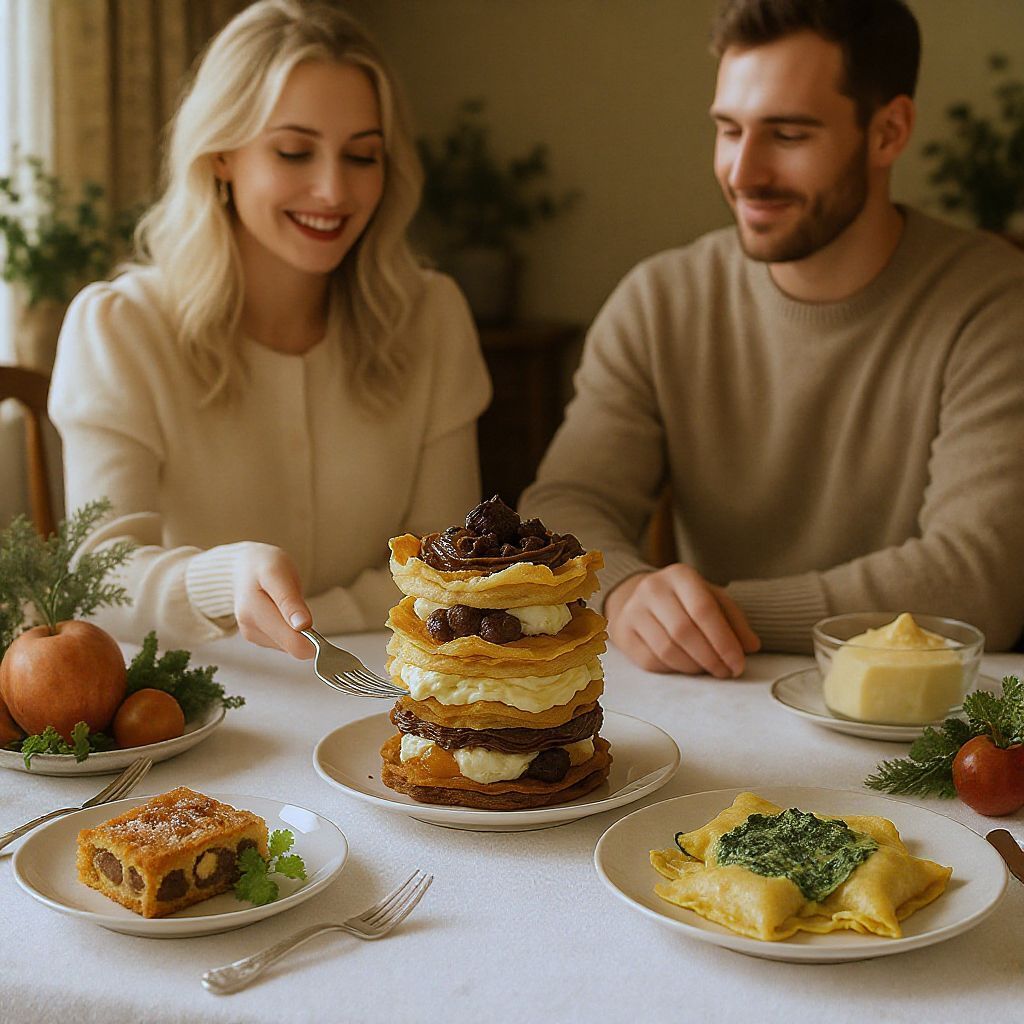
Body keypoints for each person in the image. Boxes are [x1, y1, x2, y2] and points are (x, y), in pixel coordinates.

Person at [521, 0, 1024, 677]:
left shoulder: (995, 302)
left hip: (923, 710)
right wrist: (628, 591)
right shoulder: (659, 300)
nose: (743, 172)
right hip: (715, 696)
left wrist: (717, 615)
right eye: (729, 130)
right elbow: (565, 503)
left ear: (889, 132)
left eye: (787, 135)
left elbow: (979, 579)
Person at [49, 0, 490, 660]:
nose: (333, 190)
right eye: (293, 151)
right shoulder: (120, 328)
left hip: (388, 685)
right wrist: (222, 580)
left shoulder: (433, 317)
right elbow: (99, 581)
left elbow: (449, 565)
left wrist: (312, 624)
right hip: (200, 704)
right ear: (220, 155)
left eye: (362, 156)